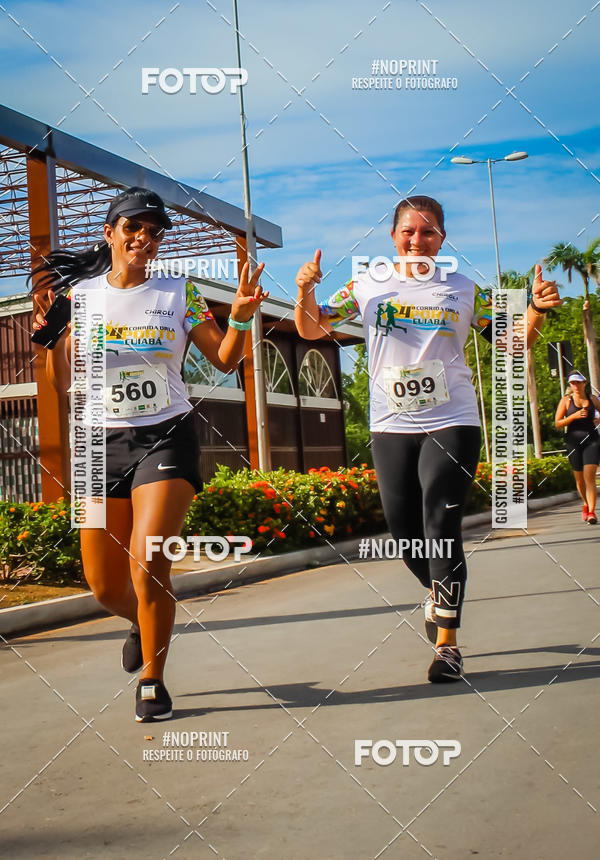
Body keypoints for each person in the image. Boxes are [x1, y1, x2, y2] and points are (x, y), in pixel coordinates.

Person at [295, 195, 561, 683]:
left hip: (452, 418)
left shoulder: (464, 289)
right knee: (406, 536)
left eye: (428, 231)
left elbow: (511, 342)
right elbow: (312, 329)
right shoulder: (366, 284)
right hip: (391, 424)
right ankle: (437, 593)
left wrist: (536, 312)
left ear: (442, 238)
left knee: (441, 522)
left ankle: (447, 645)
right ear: (393, 236)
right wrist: (305, 291)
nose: (417, 240)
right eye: (409, 231)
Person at [32, 186, 268, 721]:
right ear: (110, 233)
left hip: (165, 434)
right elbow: (60, 382)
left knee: (148, 563)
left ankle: (152, 680)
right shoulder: (78, 296)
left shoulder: (179, 292)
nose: (144, 237)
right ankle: (142, 623)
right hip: (96, 444)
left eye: (154, 231)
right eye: (133, 227)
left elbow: (224, 360)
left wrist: (240, 318)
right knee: (103, 586)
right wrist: (57, 340)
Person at [555, 371, 600, 524]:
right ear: (570, 385)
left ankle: (592, 512)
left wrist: (597, 420)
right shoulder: (566, 401)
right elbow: (558, 423)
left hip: (592, 441)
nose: (576, 385)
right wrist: (573, 416)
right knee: (580, 480)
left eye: (578, 382)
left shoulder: (592, 399)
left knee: (589, 477)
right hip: (573, 442)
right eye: (573, 383)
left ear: (584, 383)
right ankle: (586, 504)